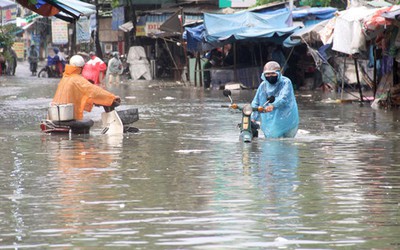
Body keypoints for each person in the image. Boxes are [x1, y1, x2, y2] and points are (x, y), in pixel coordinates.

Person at [52, 55, 121, 120]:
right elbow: (94, 91)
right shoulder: (78, 80)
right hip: (70, 116)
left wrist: (92, 101)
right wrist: (112, 98)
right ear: (82, 68)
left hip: (56, 116)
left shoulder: (65, 78)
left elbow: (80, 96)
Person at [251, 61, 299, 138]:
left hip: (286, 116)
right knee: (271, 141)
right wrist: (253, 118)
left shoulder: (286, 82)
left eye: (273, 73)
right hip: (269, 118)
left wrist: (273, 105)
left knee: (287, 142)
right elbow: (256, 102)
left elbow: (284, 97)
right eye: (267, 74)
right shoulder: (263, 85)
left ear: (279, 73)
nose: (270, 76)